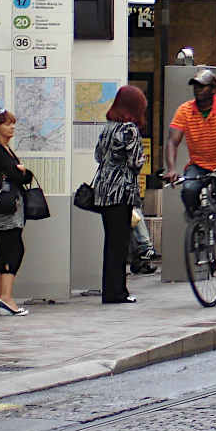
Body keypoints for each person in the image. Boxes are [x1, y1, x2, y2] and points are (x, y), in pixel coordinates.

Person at [162, 69, 216, 286]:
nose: (198, 90)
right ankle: (197, 220)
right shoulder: (185, 110)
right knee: (188, 189)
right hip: (199, 165)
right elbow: (172, 140)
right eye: (196, 86)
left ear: (213, 89)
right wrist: (171, 168)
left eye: (203, 86)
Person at [94, 86, 147, 304]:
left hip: (103, 191)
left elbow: (98, 156)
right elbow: (135, 162)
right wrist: (140, 160)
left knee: (111, 242)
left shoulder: (108, 127)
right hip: (121, 191)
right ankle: (117, 292)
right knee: (120, 243)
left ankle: (110, 290)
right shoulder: (129, 129)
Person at [0, 108, 34, 316]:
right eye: (7, 123)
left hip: (12, 207)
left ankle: (2, 298)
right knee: (12, 250)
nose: (12, 127)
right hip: (4, 208)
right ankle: (6, 298)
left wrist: (24, 172)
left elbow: (24, 175)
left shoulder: (6, 149)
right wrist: (22, 172)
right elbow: (16, 175)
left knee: (7, 250)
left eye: (13, 123)